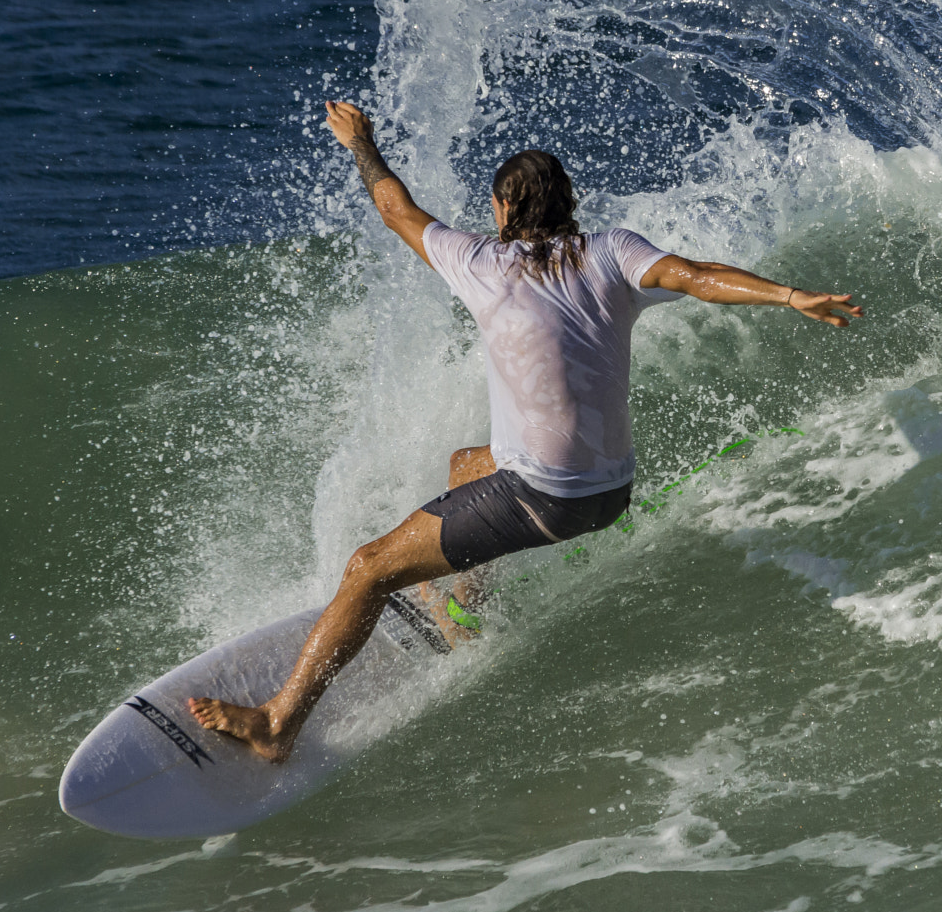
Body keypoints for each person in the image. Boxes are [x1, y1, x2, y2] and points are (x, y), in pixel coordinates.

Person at [189, 100, 862, 761]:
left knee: (367, 570)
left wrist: (361, 142)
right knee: (466, 464)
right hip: (611, 490)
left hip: (545, 497)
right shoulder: (612, 252)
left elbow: (394, 207)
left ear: (503, 210)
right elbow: (696, 276)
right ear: (569, 203)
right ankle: (463, 613)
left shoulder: (482, 263)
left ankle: (278, 721)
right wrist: (790, 295)